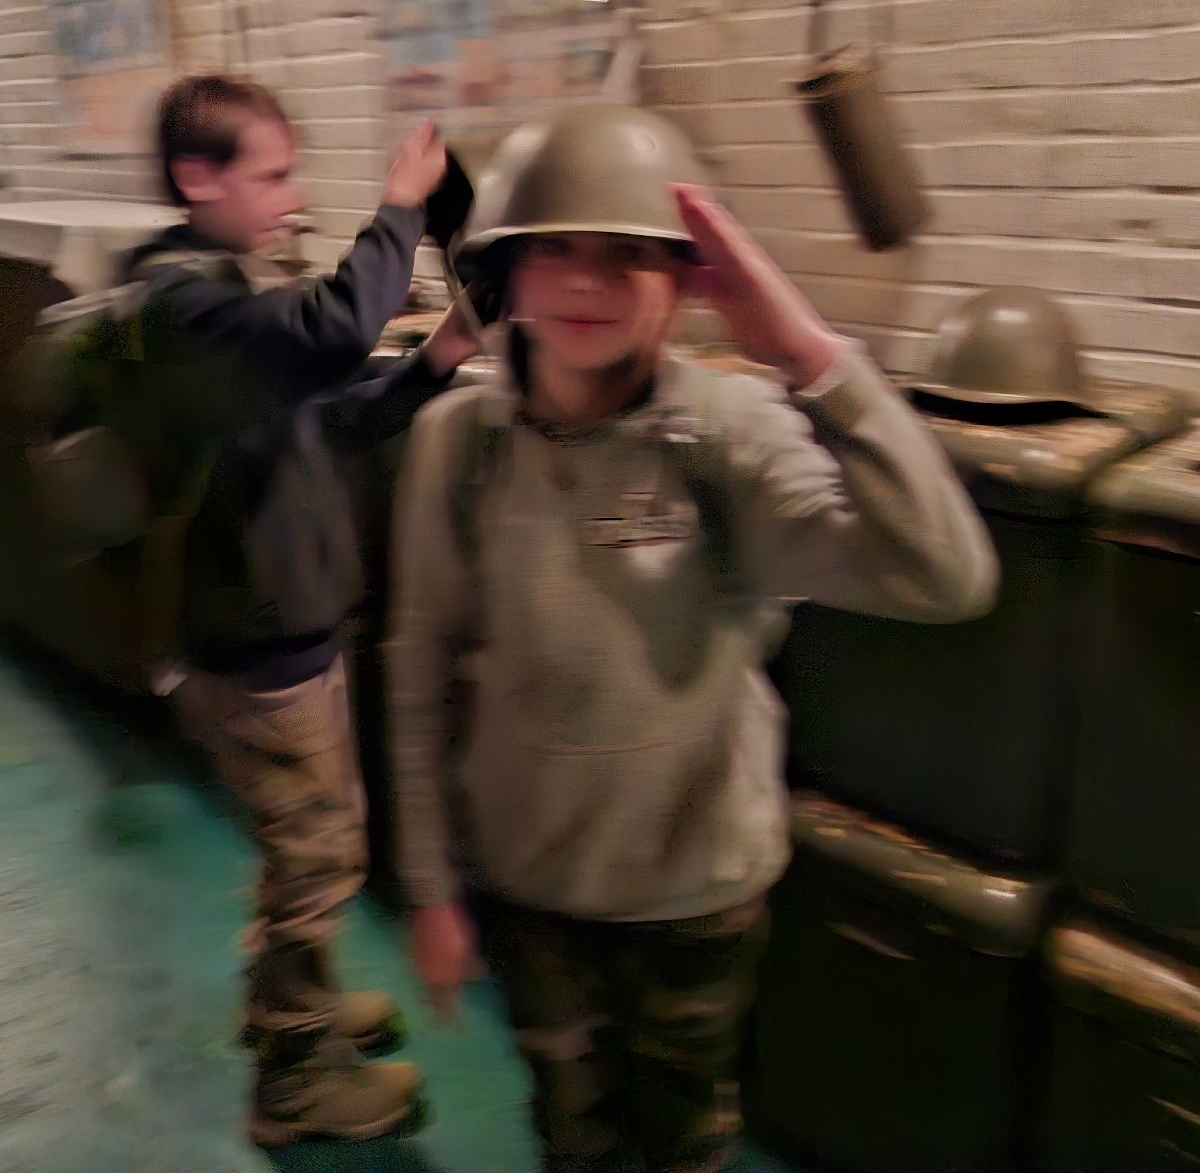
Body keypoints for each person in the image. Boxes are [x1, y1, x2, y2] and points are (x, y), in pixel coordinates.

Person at [385, 105, 999, 1173]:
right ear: (507, 272)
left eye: (628, 254)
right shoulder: (459, 443)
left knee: (683, 1138)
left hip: (695, 896)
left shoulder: (729, 435)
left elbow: (946, 576)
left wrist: (807, 352)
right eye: (554, 249)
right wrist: (431, 887)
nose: (587, 282)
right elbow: (417, 666)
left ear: (685, 278)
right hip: (530, 889)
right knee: (572, 1132)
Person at [126, 74, 478, 1147]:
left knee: (304, 848)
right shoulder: (182, 303)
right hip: (258, 652)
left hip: (286, 635)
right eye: (272, 175)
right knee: (318, 859)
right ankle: (293, 1081)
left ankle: (294, 1002)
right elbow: (336, 332)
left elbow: (330, 419)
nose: (291, 196)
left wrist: (439, 357)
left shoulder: (228, 302)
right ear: (198, 177)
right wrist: (402, 205)